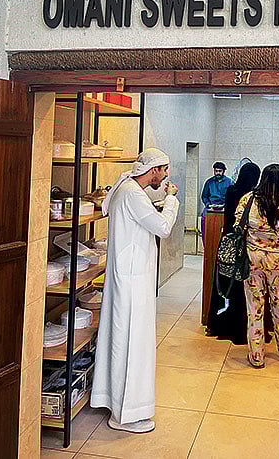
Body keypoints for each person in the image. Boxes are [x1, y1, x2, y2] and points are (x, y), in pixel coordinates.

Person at [91, 148, 180, 434]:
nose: (165, 175)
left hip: (127, 277)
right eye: (163, 170)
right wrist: (171, 200)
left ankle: (118, 402)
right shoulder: (132, 192)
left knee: (123, 339)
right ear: (153, 171)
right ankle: (126, 413)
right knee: (133, 343)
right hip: (132, 281)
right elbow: (163, 227)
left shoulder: (127, 190)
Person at [237, 163, 279, 368]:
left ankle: (256, 357)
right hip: (278, 261)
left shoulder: (248, 200)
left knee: (254, 308)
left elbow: (237, 225)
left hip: (253, 259)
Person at [206, 161, 261, 345]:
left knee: (223, 285)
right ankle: (239, 328)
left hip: (228, 244)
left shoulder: (231, 191)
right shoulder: (253, 197)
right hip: (245, 247)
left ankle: (218, 325)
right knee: (241, 289)